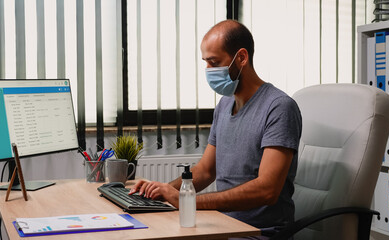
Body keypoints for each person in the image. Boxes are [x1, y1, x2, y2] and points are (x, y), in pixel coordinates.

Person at [129, 19, 302, 239]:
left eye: (214, 62)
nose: (208, 70)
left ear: (241, 58)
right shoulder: (224, 105)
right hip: (224, 225)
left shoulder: (279, 107)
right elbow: (205, 172)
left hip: (258, 233)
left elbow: (267, 190)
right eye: (206, 63)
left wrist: (185, 200)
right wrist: (161, 191)